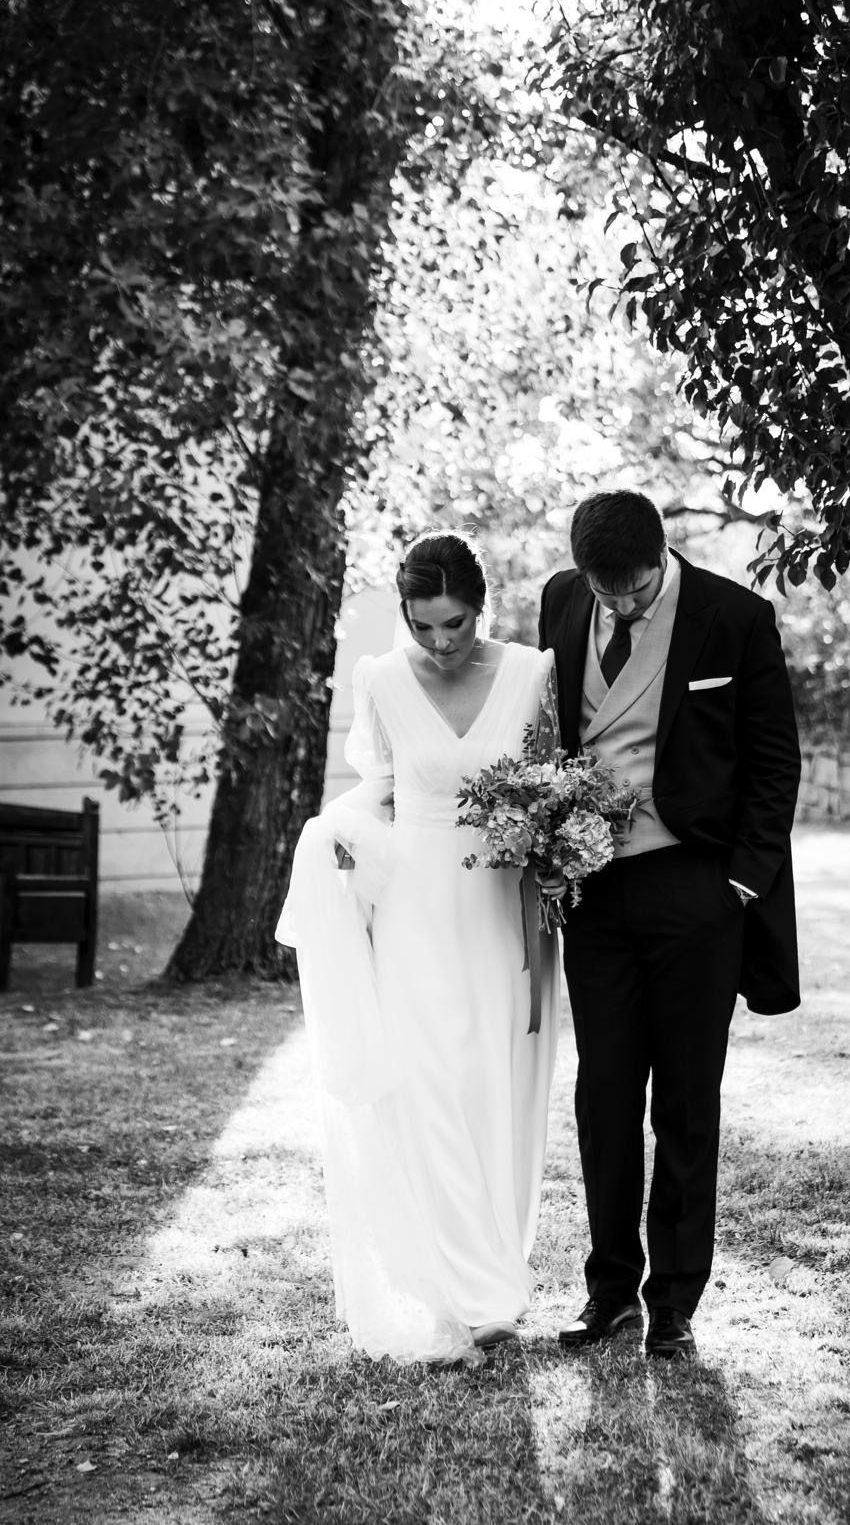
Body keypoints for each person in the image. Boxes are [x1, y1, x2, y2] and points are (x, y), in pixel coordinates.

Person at [278, 531, 559, 1365]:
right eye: (423, 624)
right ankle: (473, 1298)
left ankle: (497, 1265)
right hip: (414, 911)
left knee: (497, 1088)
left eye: (456, 623)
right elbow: (382, 789)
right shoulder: (382, 680)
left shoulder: (531, 675)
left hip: (502, 907)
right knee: (429, 1088)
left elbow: (552, 783)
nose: (440, 641)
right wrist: (337, 836)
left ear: (482, 607)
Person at [538, 490, 801, 1360]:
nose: (619, 606)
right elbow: (551, 733)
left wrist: (739, 884)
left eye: (637, 590)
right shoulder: (560, 600)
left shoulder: (735, 618)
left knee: (686, 1101)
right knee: (604, 1096)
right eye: (604, 592)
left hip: (696, 886)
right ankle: (609, 1291)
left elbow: (774, 762)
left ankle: (675, 1304)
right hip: (594, 895)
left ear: (663, 554)